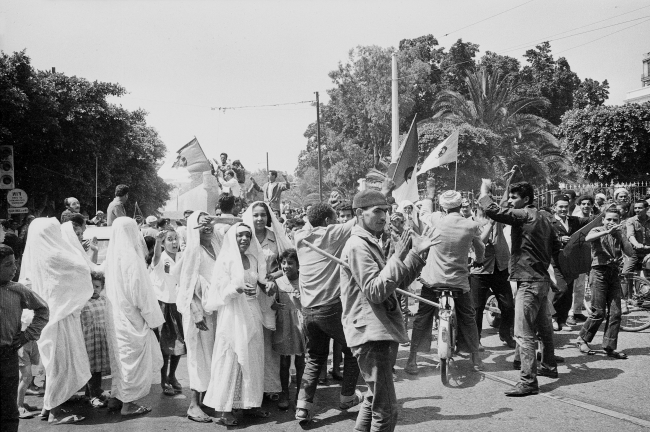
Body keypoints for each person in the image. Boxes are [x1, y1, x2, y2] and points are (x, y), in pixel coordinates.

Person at [340, 189, 432, 432]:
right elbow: (375, 291)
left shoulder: (372, 242)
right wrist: (400, 255)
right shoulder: (358, 246)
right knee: (386, 409)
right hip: (372, 335)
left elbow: (397, 284)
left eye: (387, 211)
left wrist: (415, 253)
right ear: (359, 213)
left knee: (372, 400)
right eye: (378, 211)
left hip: (379, 331)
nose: (385, 217)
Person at [479, 180, 561, 397]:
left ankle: (528, 381)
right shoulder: (545, 218)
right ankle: (549, 366)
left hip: (529, 280)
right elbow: (556, 247)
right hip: (540, 279)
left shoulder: (524, 215)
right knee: (544, 327)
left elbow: (491, 210)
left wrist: (485, 191)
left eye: (514, 198)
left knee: (523, 334)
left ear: (525, 199)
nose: (511, 202)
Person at [292, 202, 363, 422]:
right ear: (326, 222)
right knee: (354, 349)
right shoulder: (331, 233)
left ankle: (302, 407)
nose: (337, 222)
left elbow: (308, 224)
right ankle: (347, 397)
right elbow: (360, 219)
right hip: (329, 308)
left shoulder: (299, 237)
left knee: (315, 357)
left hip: (308, 310)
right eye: (334, 219)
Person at [19, 218, 93, 424]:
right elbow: (82, 268)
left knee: (52, 364)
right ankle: (55, 413)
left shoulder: (35, 257)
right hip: (60, 317)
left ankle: (48, 407)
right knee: (61, 364)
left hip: (45, 320)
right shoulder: (55, 255)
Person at [406, 190, 485, 374]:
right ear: (460, 205)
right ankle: (475, 358)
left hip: (432, 280)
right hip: (458, 282)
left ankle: (412, 360)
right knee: (468, 317)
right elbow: (480, 248)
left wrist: (429, 194)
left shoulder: (435, 219)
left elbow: (424, 212)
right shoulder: (470, 225)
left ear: (443, 207)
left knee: (422, 318)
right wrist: (479, 260)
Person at [202, 223, 269, 425]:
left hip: (253, 314)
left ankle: (249, 404)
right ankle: (224, 411)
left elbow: (257, 285)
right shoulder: (226, 261)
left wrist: (256, 291)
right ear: (232, 237)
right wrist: (235, 290)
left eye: (248, 235)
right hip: (232, 315)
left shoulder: (253, 259)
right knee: (231, 358)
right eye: (240, 235)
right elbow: (218, 294)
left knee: (252, 359)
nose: (244, 239)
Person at [104, 217, 165, 416]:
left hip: (115, 317)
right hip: (132, 318)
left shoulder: (111, 258)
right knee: (132, 361)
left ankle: (116, 397)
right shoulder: (131, 258)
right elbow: (141, 294)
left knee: (120, 359)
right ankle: (128, 405)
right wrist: (153, 319)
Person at [173, 211, 221, 422]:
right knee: (197, 357)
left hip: (215, 310)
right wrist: (195, 311)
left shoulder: (216, 247)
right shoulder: (193, 251)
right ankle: (193, 405)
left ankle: (206, 401)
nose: (208, 227)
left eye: (210, 223)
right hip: (198, 313)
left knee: (211, 356)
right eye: (202, 224)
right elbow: (184, 285)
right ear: (194, 228)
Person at [243, 201, 293, 402]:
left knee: (273, 340)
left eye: (263, 215)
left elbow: (290, 262)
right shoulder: (245, 236)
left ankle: (273, 386)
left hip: (273, 293)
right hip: (250, 293)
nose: (259, 219)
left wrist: (273, 277)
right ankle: (255, 387)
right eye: (255, 215)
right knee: (254, 340)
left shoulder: (276, 237)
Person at [0, 245, 49, 432]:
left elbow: (43, 310)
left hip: (7, 355)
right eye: (7, 265)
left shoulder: (17, 290)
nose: (14, 269)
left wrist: (27, 335)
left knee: (8, 408)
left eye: (15, 264)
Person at [576, 208, 633, 360]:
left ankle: (609, 346)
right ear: (603, 220)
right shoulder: (597, 229)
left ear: (619, 220)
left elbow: (630, 253)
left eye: (615, 220)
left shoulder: (619, 233)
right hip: (599, 272)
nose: (611, 223)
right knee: (598, 312)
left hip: (614, 273)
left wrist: (621, 235)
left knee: (615, 313)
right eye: (609, 219)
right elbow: (588, 238)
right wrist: (607, 232)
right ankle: (582, 339)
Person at [470, 207, 516, 349]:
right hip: (480, 269)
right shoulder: (471, 222)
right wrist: (490, 223)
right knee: (477, 308)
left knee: (508, 305)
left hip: (500, 267)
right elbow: (480, 242)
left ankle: (505, 333)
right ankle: (475, 339)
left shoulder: (499, 219)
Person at [549, 195, 594, 330]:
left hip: (571, 262)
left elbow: (591, 220)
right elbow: (545, 239)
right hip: (555, 261)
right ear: (554, 208)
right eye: (560, 207)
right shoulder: (548, 222)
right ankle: (553, 318)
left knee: (568, 292)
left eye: (565, 207)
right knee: (561, 289)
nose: (563, 209)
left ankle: (562, 320)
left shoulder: (574, 220)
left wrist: (607, 212)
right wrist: (559, 239)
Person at [151, 229, 186, 396]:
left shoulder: (181, 257)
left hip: (178, 305)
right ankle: (163, 379)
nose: (173, 243)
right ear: (164, 243)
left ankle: (172, 376)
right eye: (169, 239)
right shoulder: (160, 258)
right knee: (165, 346)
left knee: (179, 342)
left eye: (176, 239)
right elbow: (155, 258)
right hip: (163, 305)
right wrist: (157, 241)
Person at [272, 249, 306, 410]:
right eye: (283, 263)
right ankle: (285, 392)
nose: (286, 266)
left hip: (300, 323)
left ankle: (301, 394)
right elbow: (271, 303)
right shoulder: (278, 282)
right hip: (284, 323)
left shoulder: (304, 281)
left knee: (301, 360)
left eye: (290, 263)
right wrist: (274, 304)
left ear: (299, 265)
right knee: (284, 361)